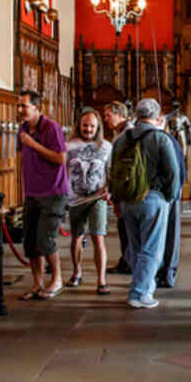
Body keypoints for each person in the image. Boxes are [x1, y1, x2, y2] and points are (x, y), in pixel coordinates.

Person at [109, 98, 181, 309]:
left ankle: (141, 286)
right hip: (153, 198)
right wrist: (170, 197)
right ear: (156, 115)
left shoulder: (122, 139)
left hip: (128, 200)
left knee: (137, 247)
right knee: (152, 249)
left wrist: (116, 199)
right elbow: (173, 173)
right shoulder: (161, 138)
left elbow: (113, 171)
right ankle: (139, 293)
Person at [17, 89, 69, 301]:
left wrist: (33, 144)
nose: (20, 110)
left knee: (45, 239)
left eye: (24, 106)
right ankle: (37, 283)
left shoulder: (51, 128)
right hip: (32, 192)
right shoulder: (22, 129)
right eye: (18, 106)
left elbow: (60, 159)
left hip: (53, 192)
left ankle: (56, 279)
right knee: (30, 242)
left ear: (37, 107)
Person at [66, 107, 112, 294]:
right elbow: (62, 170)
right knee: (76, 236)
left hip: (97, 197)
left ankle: (101, 280)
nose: (88, 129)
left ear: (98, 127)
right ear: (79, 125)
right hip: (75, 198)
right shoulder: (69, 145)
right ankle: (77, 272)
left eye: (92, 126)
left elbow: (111, 171)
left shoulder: (107, 146)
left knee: (98, 237)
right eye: (85, 125)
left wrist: (110, 189)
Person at [157, 108, 188, 289]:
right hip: (164, 194)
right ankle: (163, 273)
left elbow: (179, 167)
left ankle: (166, 272)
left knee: (167, 235)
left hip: (166, 194)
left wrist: (174, 193)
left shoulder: (170, 140)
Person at [101, 101, 133, 273]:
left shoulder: (127, 133)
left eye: (108, 115)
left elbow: (124, 165)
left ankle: (129, 262)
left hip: (125, 188)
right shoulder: (118, 132)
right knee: (123, 225)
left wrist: (117, 192)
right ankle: (126, 260)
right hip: (118, 187)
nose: (105, 119)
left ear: (119, 114)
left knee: (126, 225)